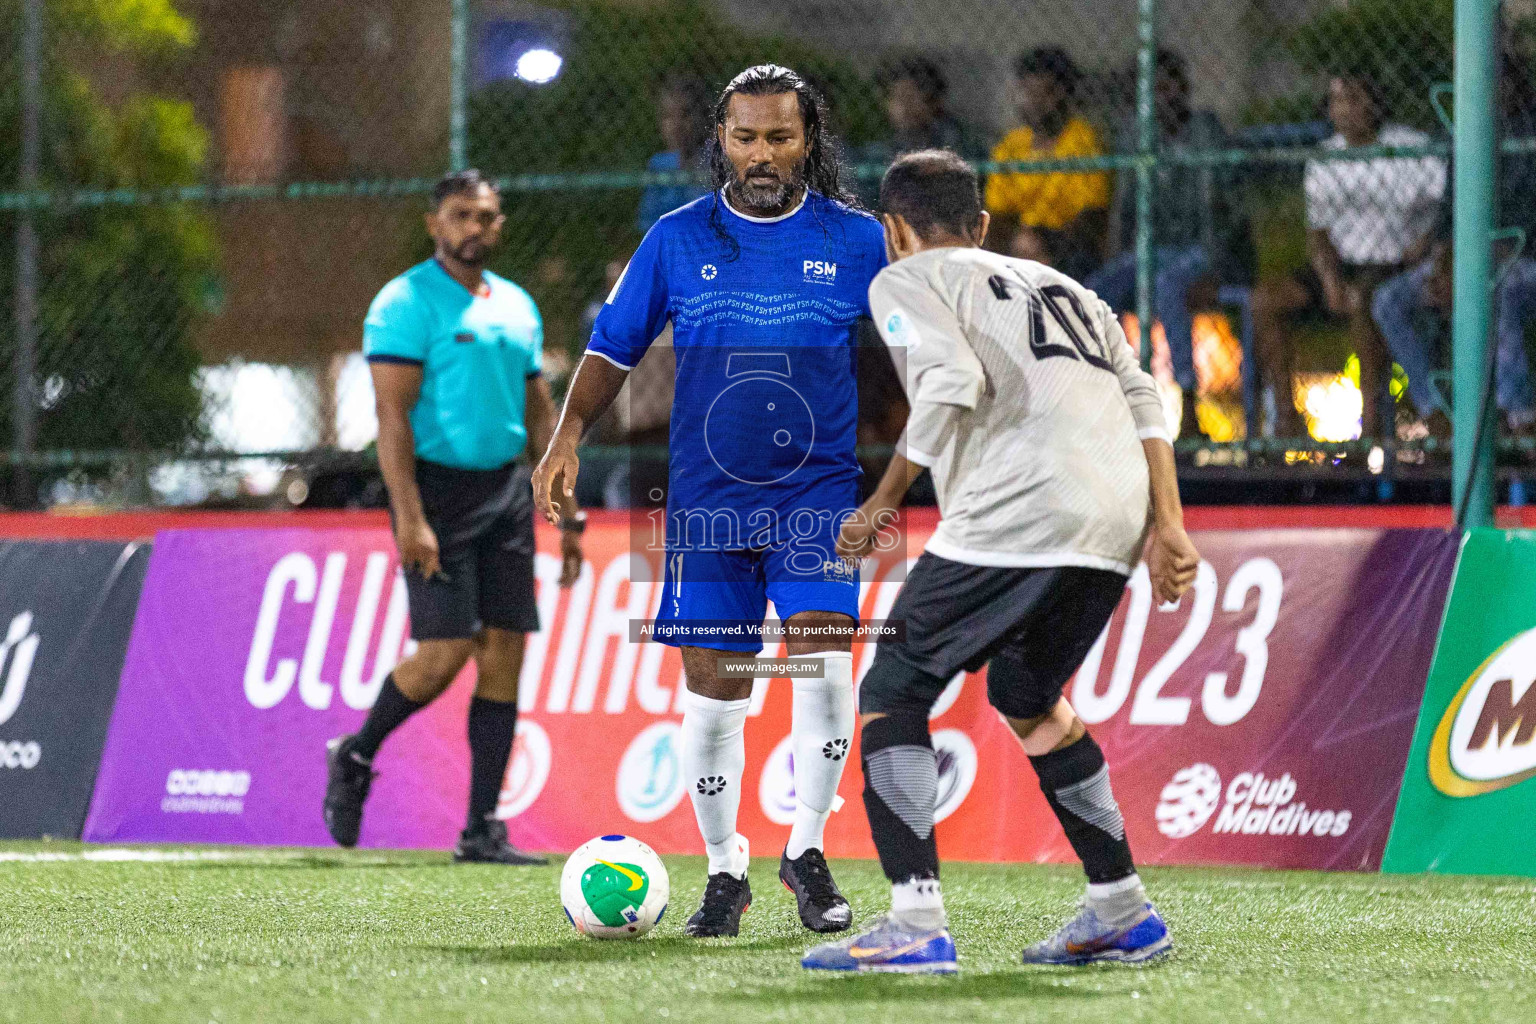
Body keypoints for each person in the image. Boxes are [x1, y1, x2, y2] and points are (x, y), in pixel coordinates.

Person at [801, 150, 1198, 974]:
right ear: (981, 225)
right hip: (1114, 517)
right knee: (1025, 693)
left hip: (1019, 511)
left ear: (893, 229)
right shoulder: (1066, 286)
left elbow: (948, 382)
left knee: (893, 688)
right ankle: (1122, 909)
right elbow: (1145, 400)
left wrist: (882, 501)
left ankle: (915, 923)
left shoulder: (903, 280)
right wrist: (1169, 524)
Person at [532, 65, 887, 938]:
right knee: (713, 690)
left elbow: (926, 355)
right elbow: (612, 349)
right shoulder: (677, 238)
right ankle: (725, 867)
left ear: (810, 142)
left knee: (825, 658)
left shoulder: (861, 240)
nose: (762, 155)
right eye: (746, 137)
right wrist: (567, 436)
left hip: (818, 497)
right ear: (720, 141)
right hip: (706, 505)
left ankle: (806, 850)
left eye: (780, 137)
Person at [323, 169, 585, 864]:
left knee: (505, 656)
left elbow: (538, 411)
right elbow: (391, 418)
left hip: (505, 495)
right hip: (435, 495)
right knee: (443, 656)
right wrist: (409, 516)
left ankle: (481, 828)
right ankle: (355, 753)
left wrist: (568, 505)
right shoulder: (405, 303)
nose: (478, 227)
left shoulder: (518, 306)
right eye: (463, 214)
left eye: (489, 216)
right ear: (434, 223)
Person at [1252, 72, 1445, 440]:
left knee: (1364, 303)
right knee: (1266, 299)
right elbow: (1318, 234)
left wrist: (1424, 243)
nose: (1344, 110)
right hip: (1343, 264)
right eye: (1336, 101)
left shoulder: (1410, 147)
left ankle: (1370, 432)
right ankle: (1287, 421)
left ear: (1375, 103)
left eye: (1354, 99)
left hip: (1393, 264)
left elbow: (1444, 209)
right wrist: (1330, 280)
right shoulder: (1325, 158)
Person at [1371, 57, 1536, 436]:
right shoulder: (1467, 131)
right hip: (1471, 259)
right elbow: (1449, 212)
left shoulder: (1527, 131)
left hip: (1521, 261)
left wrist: (1483, 257)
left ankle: (1519, 418)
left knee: (1503, 290)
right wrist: (1443, 260)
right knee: (1388, 300)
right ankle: (1436, 412)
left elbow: (1525, 223)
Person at [1087, 50, 1240, 441]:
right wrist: (1115, 253)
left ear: (1185, 88)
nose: (1162, 96)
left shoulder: (1205, 130)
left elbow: (1228, 209)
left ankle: (1189, 407)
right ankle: (1108, 404)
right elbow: (1123, 204)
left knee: (1169, 286)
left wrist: (1219, 266)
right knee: (1095, 292)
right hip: (1149, 251)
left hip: (1199, 250)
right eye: (1152, 89)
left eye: (1169, 85)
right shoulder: (1136, 135)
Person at [983, 47, 1110, 281]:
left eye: (1045, 93)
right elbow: (999, 214)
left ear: (1064, 93)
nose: (1034, 101)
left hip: (1067, 247)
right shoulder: (1011, 146)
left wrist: (1045, 244)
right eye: (1027, 92)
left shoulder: (1083, 140)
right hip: (1019, 245)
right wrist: (1020, 242)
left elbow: (1092, 216)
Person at [847, 57, 983, 208]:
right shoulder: (878, 151)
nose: (903, 108)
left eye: (910, 98)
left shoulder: (956, 142)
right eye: (896, 98)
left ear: (932, 101)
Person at [638, 73, 714, 234]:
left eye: (685, 115)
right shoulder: (659, 165)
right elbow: (648, 228)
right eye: (668, 117)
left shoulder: (717, 163)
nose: (676, 126)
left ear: (703, 116)